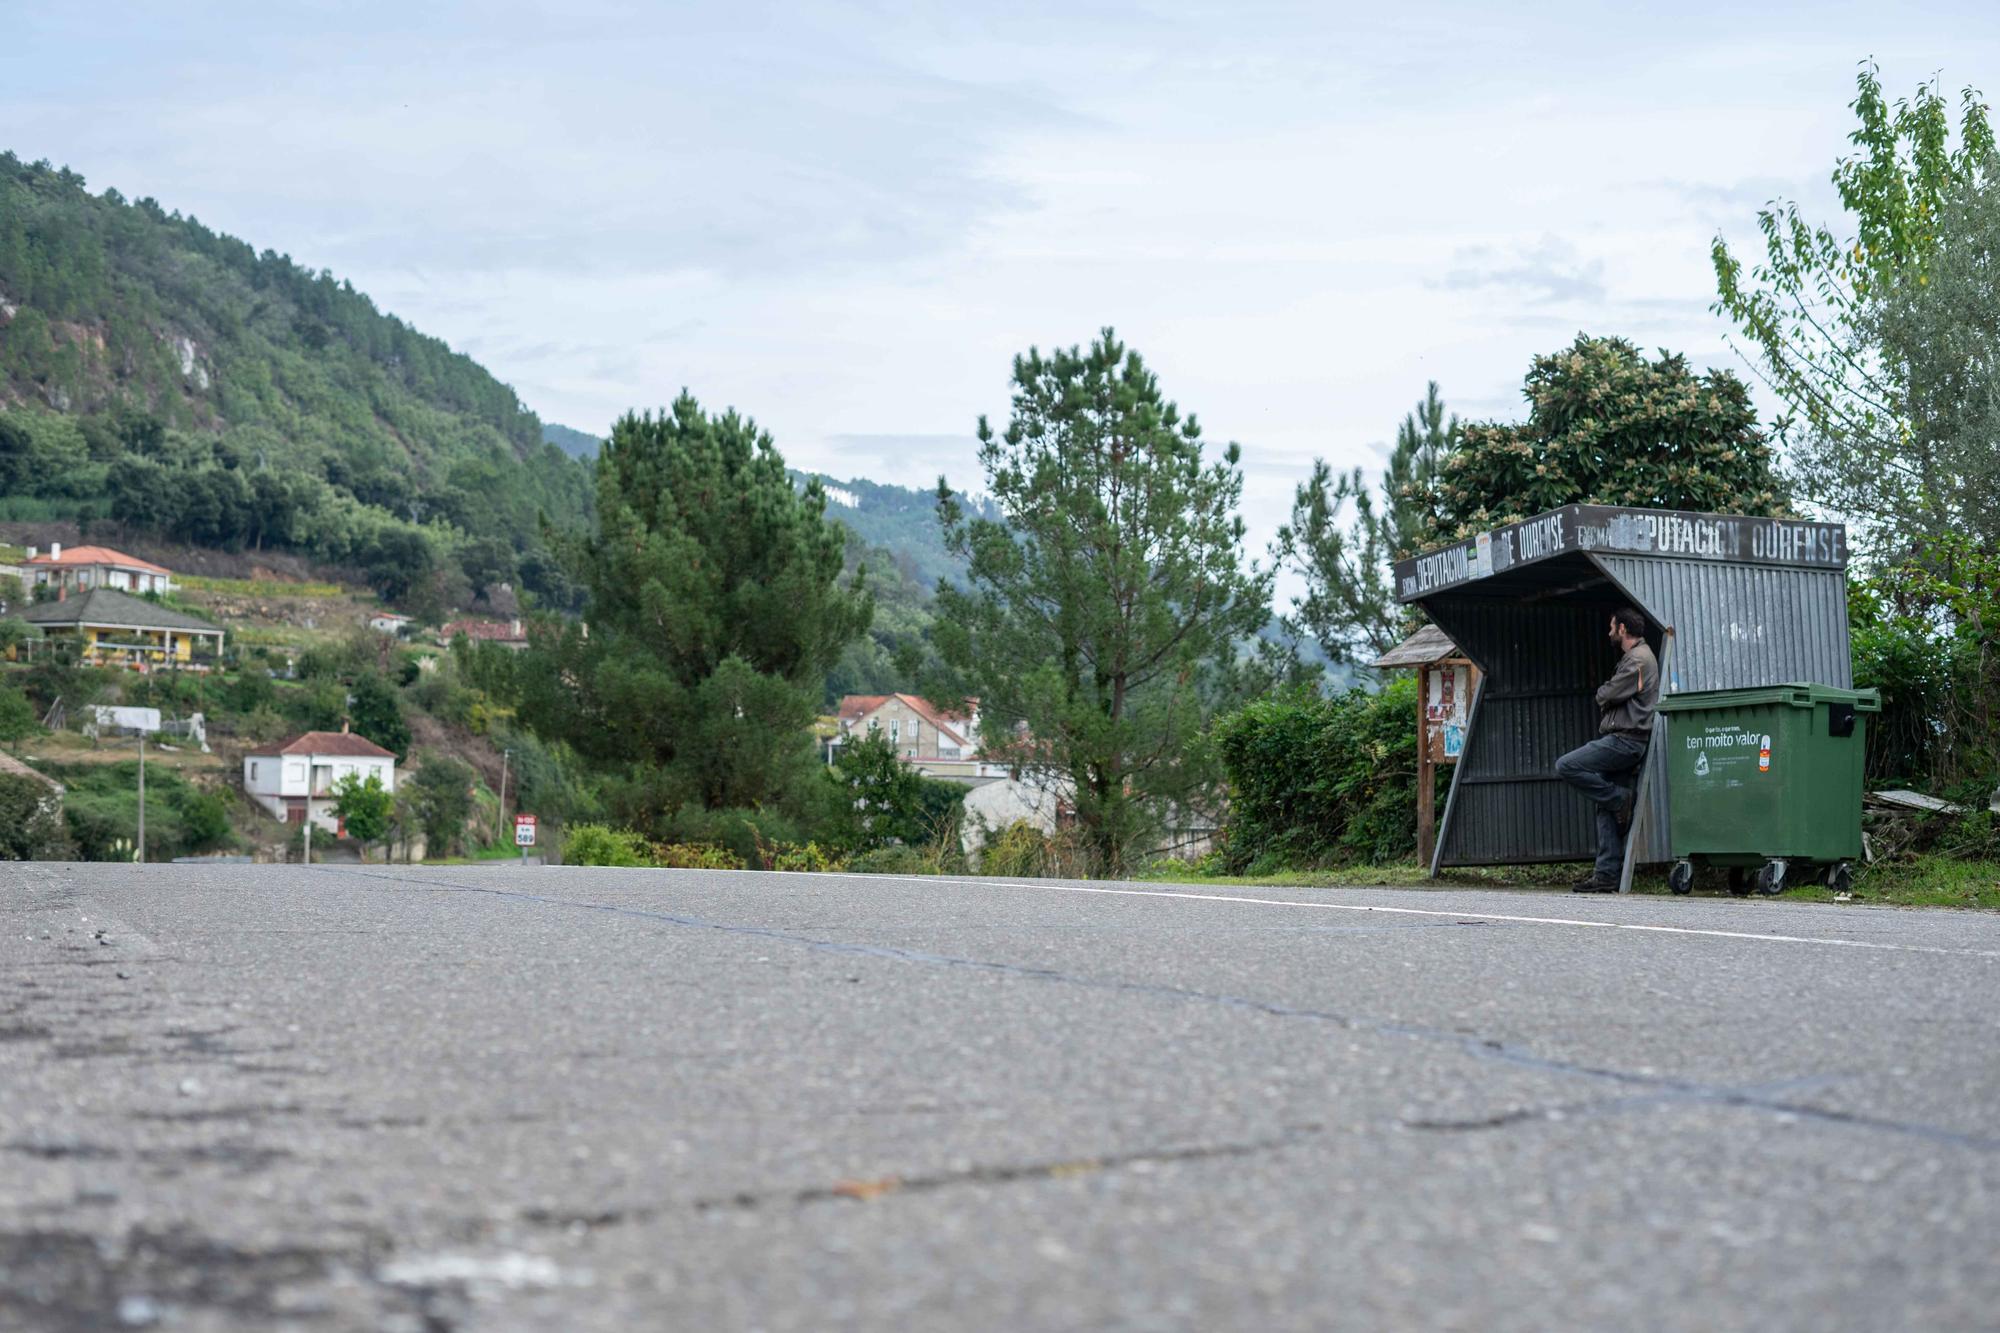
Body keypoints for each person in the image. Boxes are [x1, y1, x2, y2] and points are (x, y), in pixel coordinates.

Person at [1555, 606, 1659, 893]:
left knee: (1567, 765)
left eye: (1612, 627)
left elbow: (1607, 694)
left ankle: (1619, 798)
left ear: (1623, 629)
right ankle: (1606, 875)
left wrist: (1604, 692)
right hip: (1627, 739)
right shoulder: (1636, 657)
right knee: (1606, 808)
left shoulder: (1637, 659)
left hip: (1625, 742)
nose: (1610, 632)